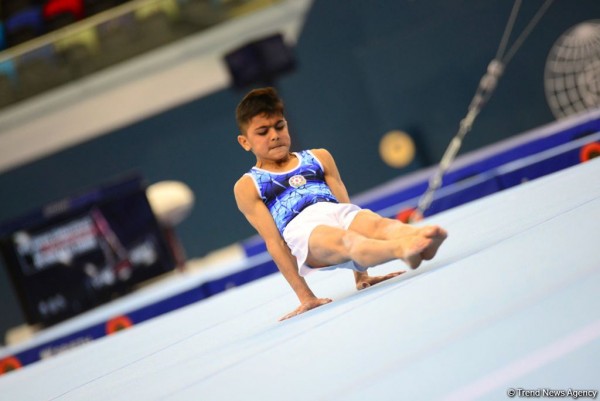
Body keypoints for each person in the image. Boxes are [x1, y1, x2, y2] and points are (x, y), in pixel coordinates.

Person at [233, 87, 447, 321]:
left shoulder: (318, 157)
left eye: (280, 126)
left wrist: (361, 277)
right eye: (263, 132)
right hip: (304, 233)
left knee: (375, 224)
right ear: (245, 142)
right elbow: (274, 243)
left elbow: (347, 208)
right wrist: (306, 297)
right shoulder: (249, 185)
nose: (274, 135)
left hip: (337, 213)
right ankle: (403, 250)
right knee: (348, 241)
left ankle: (419, 236)